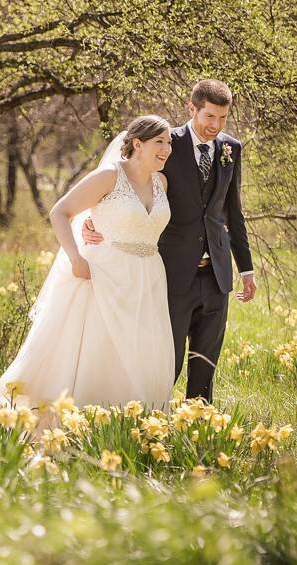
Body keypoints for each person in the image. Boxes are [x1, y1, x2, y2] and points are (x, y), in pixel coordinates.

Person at [83, 80, 255, 403]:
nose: (215, 126)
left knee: (205, 367)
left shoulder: (231, 149)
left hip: (217, 276)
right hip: (173, 274)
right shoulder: (163, 145)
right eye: (209, 117)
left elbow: (233, 212)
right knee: (166, 363)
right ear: (192, 109)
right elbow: (129, 187)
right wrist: (97, 221)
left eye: (222, 118)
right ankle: (153, 424)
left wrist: (245, 269)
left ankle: (197, 430)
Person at [0, 115, 175, 414]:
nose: (166, 149)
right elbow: (60, 211)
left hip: (148, 277)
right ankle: (79, 419)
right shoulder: (109, 176)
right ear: (138, 144)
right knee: (100, 349)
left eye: (169, 143)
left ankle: (132, 420)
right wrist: (76, 258)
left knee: (138, 352)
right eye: (159, 142)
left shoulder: (161, 183)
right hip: (104, 274)